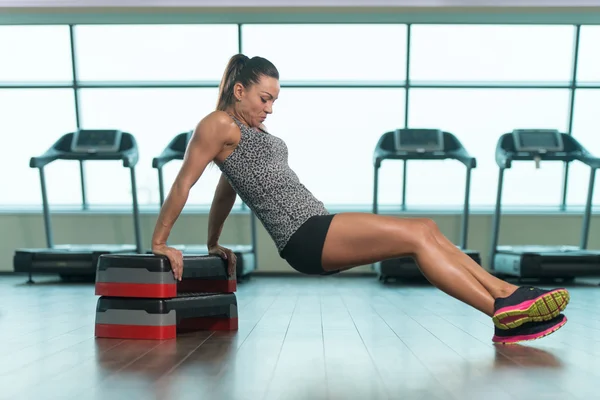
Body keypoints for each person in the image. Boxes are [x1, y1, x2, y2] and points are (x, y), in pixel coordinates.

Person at [151, 54, 570, 345]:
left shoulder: (248, 133)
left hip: (315, 224)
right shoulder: (215, 123)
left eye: (275, 100)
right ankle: (504, 311)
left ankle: (508, 297)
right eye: (265, 98)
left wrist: (212, 242)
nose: (271, 108)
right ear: (239, 90)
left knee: (425, 230)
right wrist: (159, 243)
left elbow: (227, 190)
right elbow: (183, 184)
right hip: (303, 236)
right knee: (417, 237)